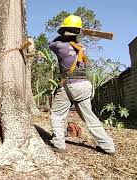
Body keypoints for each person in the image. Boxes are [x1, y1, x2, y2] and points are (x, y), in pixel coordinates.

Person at [48, 15, 115, 154]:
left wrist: (63, 33)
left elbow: (51, 43)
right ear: (77, 32)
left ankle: (58, 143)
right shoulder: (81, 47)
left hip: (71, 85)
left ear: (64, 31)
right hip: (85, 85)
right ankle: (108, 146)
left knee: (57, 114)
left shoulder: (59, 45)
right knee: (90, 117)